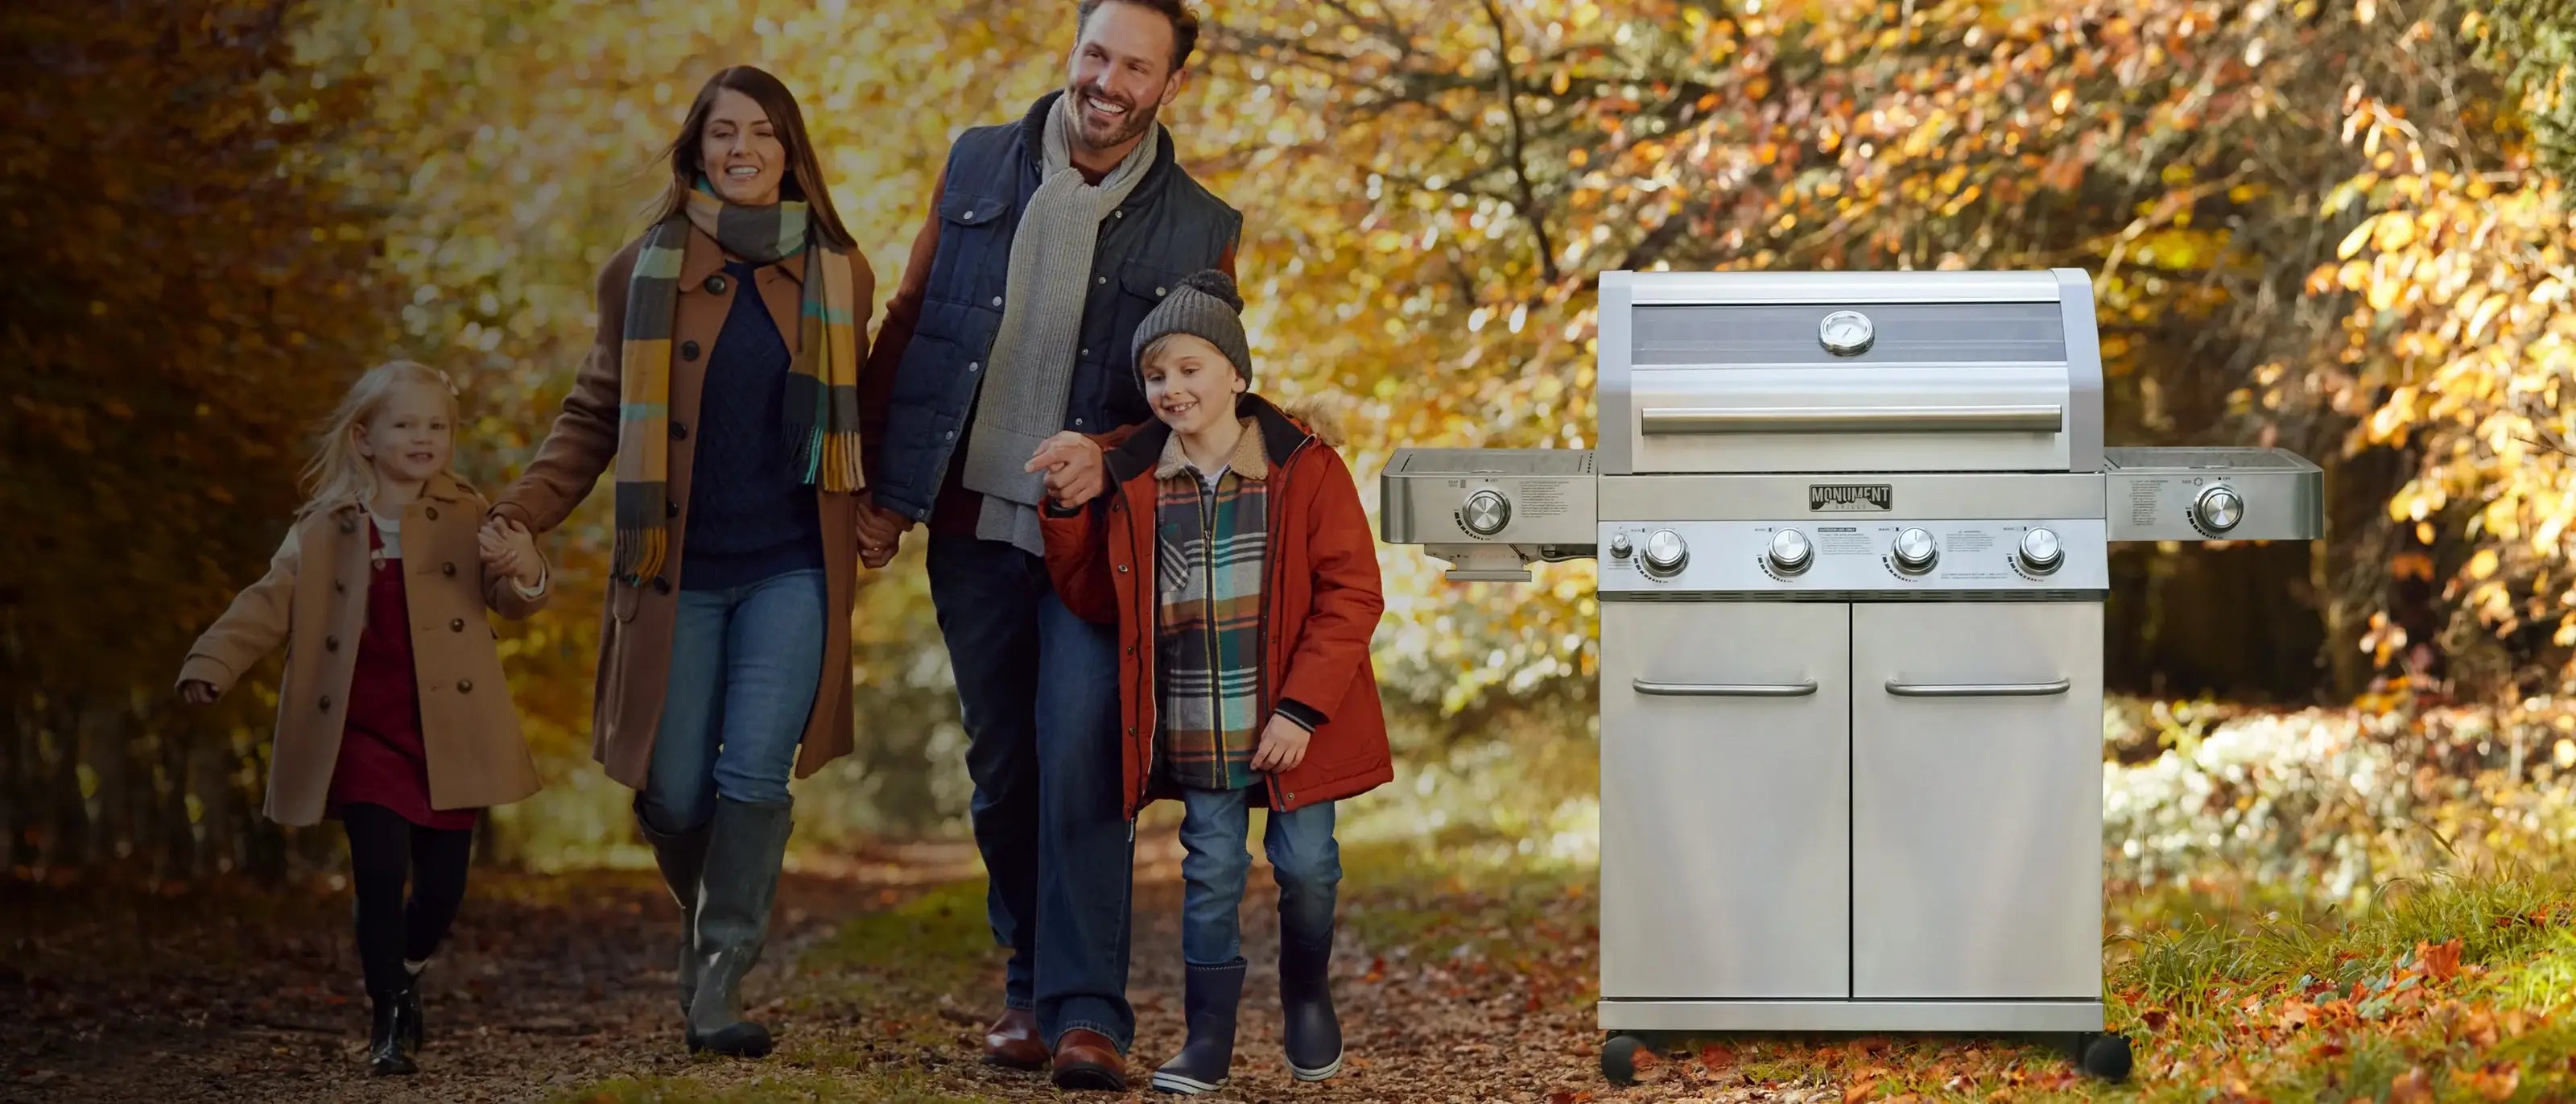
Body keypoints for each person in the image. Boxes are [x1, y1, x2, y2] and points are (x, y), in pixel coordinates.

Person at [852, 0, 1243, 1089]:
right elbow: (916, 318)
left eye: (1136, 67)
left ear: (1170, 87)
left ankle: (1089, 1014)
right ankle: (1027, 986)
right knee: (1003, 764)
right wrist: (883, 490)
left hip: (1095, 539)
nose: (1108, 82)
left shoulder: (1201, 223)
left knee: (1081, 750)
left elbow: (1199, 399)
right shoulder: (979, 162)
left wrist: (1112, 456)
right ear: (1075, 56)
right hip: (972, 521)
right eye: (1096, 54)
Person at [484, 65, 875, 1057]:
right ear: (695, 149)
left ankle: (718, 979)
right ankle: (712, 927)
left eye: (761, 133)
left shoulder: (837, 269)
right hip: (674, 574)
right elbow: (593, 416)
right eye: (721, 134)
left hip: (792, 566)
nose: (741, 150)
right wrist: (522, 512)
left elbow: (867, 412)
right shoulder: (641, 269)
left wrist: (891, 513)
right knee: (672, 792)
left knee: (755, 774)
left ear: (791, 151)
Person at [1038, 270, 1392, 1094]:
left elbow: (1351, 594)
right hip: (1198, 721)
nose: (1171, 389)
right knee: (1210, 878)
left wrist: (1302, 707)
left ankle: (1306, 996)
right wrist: (1063, 518)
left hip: (1294, 720)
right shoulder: (1136, 484)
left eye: (1190, 369)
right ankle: (1208, 1038)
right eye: (1156, 375)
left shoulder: (1303, 468)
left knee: (1307, 866)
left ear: (1235, 373)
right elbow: (1096, 596)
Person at [176, 360, 550, 1076]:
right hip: (360, 729)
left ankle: (406, 971)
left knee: (441, 889)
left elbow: (513, 598)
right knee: (378, 870)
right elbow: (267, 600)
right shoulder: (324, 527)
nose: (423, 438)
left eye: (435, 426)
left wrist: (525, 563)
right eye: (405, 424)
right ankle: (385, 1014)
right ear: (364, 437)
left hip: (449, 734)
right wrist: (211, 661)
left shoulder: (471, 512)